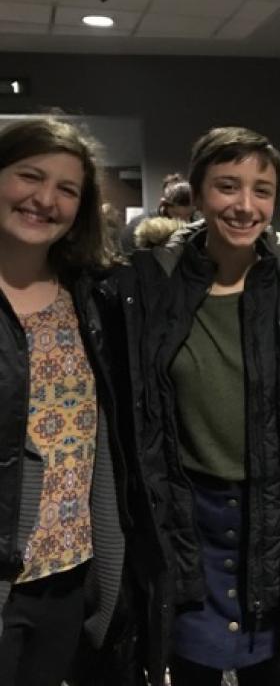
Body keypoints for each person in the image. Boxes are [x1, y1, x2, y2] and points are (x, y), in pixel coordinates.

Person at [113, 127, 280, 686]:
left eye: (262, 189)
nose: (246, 205)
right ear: (199, 193)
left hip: (275, 517)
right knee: (189, 668)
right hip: (185, 518)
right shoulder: (146, 288)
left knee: (273, 672)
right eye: (228, 186)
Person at [0, 117, 128, 685]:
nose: (45, 199)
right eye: (30, 176)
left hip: (67, 574)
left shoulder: (92, 299)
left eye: (67, 189)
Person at [119, 172, 194, 255]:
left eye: (189, 215)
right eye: (177, 215)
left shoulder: (195, 225)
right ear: (163, 205)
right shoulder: (136, 227)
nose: (185, 222)